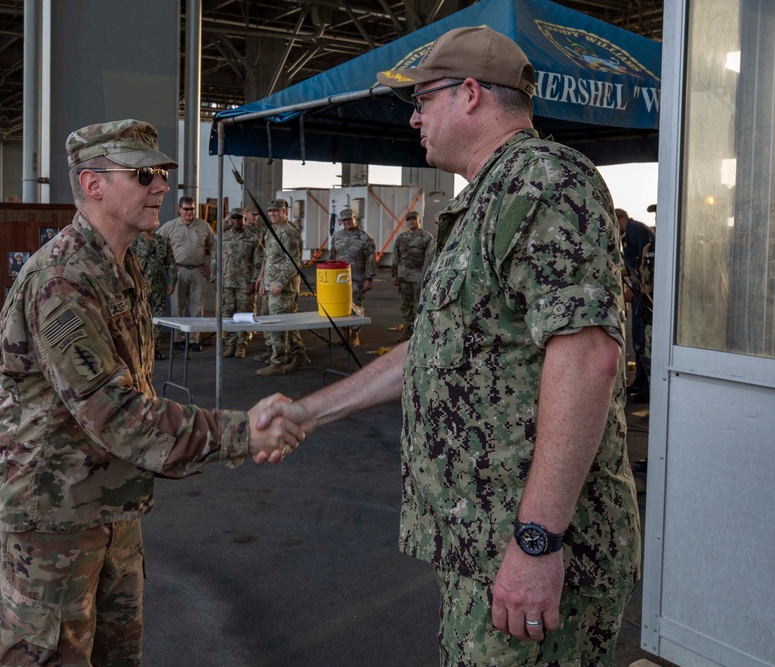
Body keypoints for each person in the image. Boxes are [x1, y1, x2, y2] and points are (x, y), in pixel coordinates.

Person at [257, 26, 640, 666]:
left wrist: (539, 541)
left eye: (423, 99)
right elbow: (431, 351)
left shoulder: (542, 181)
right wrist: (310, 412)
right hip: (485, 542)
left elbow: (587, 359)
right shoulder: (486, 200)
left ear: (469, 94)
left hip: (531, 545)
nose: (413, 118)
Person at [0, 119, 304, 666]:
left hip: (109, 509)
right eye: (145, 174)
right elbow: (114, 412)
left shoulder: (118, 266)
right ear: (93, 184)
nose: (162, 186)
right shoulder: (64, 279)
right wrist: (239, 433)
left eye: (161, 174)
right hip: (51, 525)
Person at [255, 198, 309, 376]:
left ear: (284, 211)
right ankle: (299, 354)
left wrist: (280, 283)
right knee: (287, 323)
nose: (272, 214)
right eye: (270, 211)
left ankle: (278, 362)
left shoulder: (288, 232)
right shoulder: (272, 231)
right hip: (271, 284)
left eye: (276, 211)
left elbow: (294, 262)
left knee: (278, 323)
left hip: (283, 287)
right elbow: (268, 258)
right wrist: (263, 280)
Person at [156, 195, 216, 351]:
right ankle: (178, 339)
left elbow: (215, 246)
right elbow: (156, 242)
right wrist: (167, 266)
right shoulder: (170, 226)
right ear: (179, 209)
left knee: (197, 308)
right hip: (178, 271)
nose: (190, 212)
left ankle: (193, 340)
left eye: (192, 209)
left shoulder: (203, 226)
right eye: (186, 209)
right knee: (178, 307)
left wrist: (210, 265)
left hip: (198, 271)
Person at [615, 208, 655, 402]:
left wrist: (634, 289)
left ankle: (646, 389)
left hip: (644, 295)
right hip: (640, 296)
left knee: (643, 344)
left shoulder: (635, 231)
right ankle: (639, 384)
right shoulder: (628, 234)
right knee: (638, 342)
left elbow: (645, 266)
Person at [329, 208, 377, 347]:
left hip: (357, 278)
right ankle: (344, 335)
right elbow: (332, 256)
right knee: (340, 307)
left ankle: (354, 334)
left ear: (354, 218)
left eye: (349, 219)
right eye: (344, 220)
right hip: (339, 279)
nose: (347, 222)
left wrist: (369, 278)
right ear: (341, 221)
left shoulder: (364, 237)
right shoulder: (337, 236)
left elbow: (371, 258)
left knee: (355, 306)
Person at [219, 207, 263, 358]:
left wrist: (254, 281)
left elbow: (258, 262)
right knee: (228, 313)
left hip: (245, 283)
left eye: (240, 218)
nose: (237, 220)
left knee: (244, 313)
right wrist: (216, 277)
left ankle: (241, 345)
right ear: (230, 220)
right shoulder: (223, 237)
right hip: (227, 282)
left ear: (245, 220)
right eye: (234, 217)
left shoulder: (252, 238)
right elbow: (215, 258)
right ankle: (230, 344)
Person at [129, 227, 176, 359]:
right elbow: (127, 262)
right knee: (139, 316)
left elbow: (171, 263)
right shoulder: (135, 240)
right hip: (140, 286)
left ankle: (154, 348)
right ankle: (140, 348)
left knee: (157, 317)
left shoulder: (163, 241)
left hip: (158, 286)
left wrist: (172, 281)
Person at [391, 210, 434, 341]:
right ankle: (406, 330)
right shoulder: (402, 238)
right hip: (404, 276)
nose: (411, 222)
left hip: (418, 277)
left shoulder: (427, 237)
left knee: (418, 305)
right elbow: (396, 256)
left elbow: (430, 258)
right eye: (408, 220)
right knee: (405, 304)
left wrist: (427, 276)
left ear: (419, 221)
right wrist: (394, 275)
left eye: (413, 219)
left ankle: (417, 332)